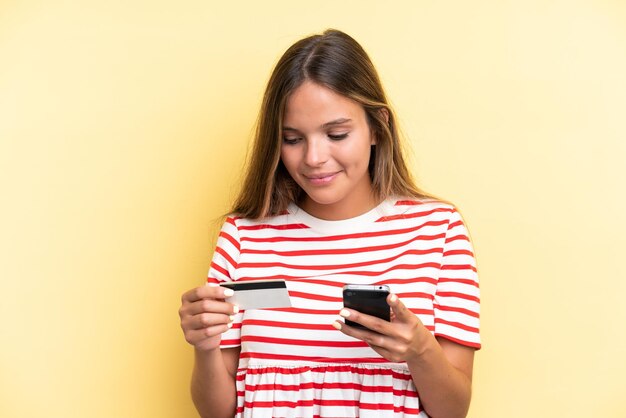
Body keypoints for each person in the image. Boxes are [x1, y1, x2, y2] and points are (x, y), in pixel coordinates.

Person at [179, 29, 480, 418]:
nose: (314, 158)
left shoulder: (438, 231)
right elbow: (216, 412)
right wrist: (204, 345)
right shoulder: (244, 235)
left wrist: (419, 348)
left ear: (377, 127)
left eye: (336, 134)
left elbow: (454, 411)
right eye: (292, 139)